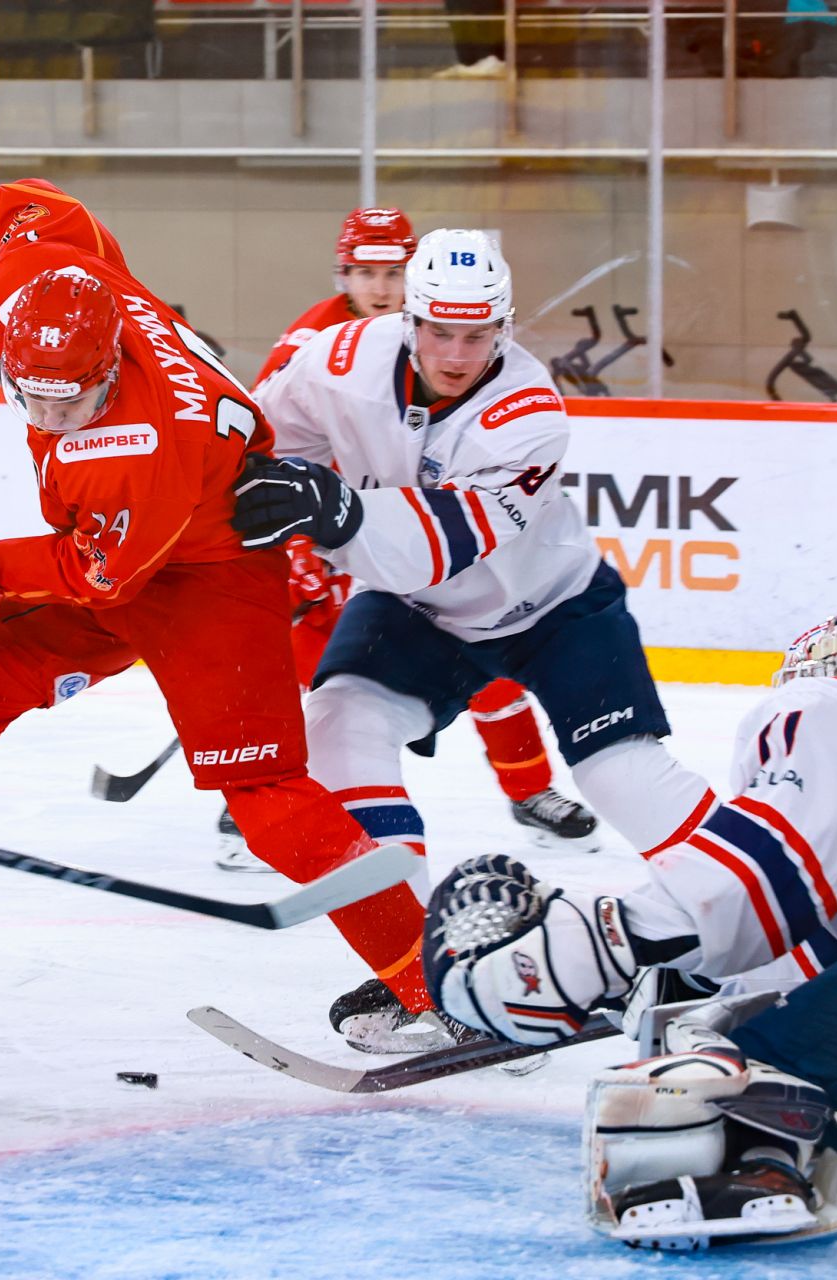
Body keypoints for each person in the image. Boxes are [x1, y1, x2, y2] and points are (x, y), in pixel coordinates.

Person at [0, 178, 432, 1054]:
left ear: (111, 366)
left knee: (265, 797)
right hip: (121, 553)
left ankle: (440, 986)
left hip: (213, 577)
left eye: (71, 404)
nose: (49, 418)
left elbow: (96, 575)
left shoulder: (139, 447)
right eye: (30, 397)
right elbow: (23, 204)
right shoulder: (34, 284)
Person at [232, 228, 718, 1052]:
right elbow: (257, 444)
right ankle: (429, 975)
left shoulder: (528, 413)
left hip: (553, 605)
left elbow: (439, 547)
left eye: (478, 334)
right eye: (439, 332)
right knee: (340, 731)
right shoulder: (336, 360)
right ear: (410, 319)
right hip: (416, 612)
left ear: (505, 327)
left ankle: (765, 915)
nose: (456, 354)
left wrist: (329, 512)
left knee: (622, 776)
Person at [424, 602, 837, 1251]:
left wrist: (598, 944)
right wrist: (687, 976)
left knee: (726, 1083)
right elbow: (826, 941)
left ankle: (759, 1165)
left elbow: (774, 864)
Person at [219, 207, 595, 874]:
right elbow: (265, 444)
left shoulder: (447, 338)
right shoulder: (317, 339)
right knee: (316, 680)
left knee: (480, 646)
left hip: (421, 525)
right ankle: (273, 798)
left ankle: (530, 789)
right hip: (329, 529)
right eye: (365, 273)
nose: (380, 288)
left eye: (393, 273)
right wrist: (298, 550)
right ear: (343, 275)